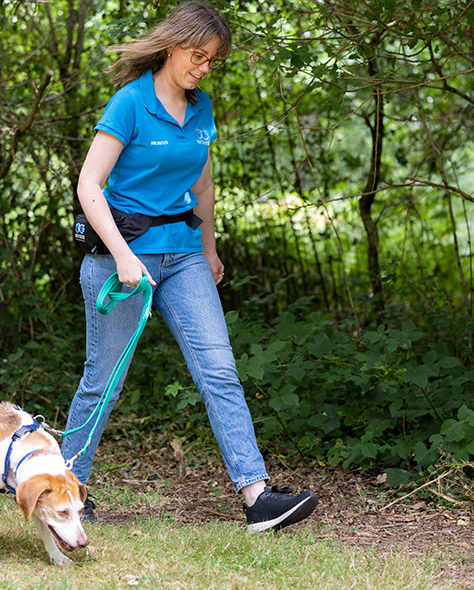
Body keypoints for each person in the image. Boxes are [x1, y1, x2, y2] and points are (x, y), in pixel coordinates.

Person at [60, 0, 317, 532]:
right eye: (197, 56)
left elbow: (201, 184)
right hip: (121, 258)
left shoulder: (200, 110)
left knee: (219, 369)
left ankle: (256, 496)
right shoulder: (129, 104)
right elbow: (89, 186)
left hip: (184, 254)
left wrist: (210, 247)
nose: (203, 68)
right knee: (103, 380)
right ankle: (65, 489)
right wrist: (125, 258)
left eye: (212, 61)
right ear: (171, 46)